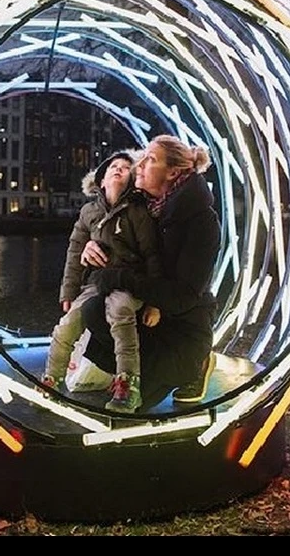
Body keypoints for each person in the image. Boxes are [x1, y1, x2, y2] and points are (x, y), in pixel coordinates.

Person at [79, 135, 220, 411]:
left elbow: (183, 297)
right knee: (94, 309)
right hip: (146, 317)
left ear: (173, 172)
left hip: (182, 330)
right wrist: (93, 249)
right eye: (142, 157)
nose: (139, 164)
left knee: (137, 408)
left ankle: (197, 364)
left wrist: (120, 277)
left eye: (150, 159)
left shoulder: (201, 221)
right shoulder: (142, 209)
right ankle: (141, 371)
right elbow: (105, 241)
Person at [42, 150, 162, 413]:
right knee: (67, 324)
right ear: (101, 180)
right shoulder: (89, 212)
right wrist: (68, 292)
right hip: (97, 280)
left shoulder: (138, 212)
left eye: (125, 167)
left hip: (129, 279)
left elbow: (153, 256)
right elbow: (75, 252)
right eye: (112, 167)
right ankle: (52, 378)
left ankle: (128, 384)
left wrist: (154, 302)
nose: (118, 169)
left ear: (133, 180)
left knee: (120, 313)